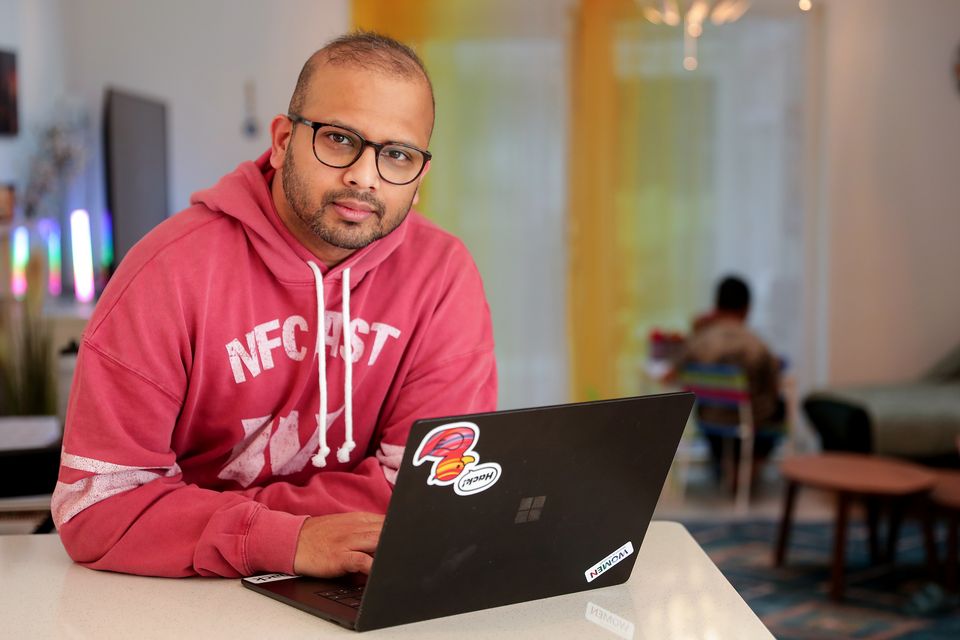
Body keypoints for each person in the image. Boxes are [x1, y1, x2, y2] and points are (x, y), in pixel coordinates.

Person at [51, 31, 497, 579]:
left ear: (419, 176)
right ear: (284, 139)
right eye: (338, 139)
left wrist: (195, 518)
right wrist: (285, 539)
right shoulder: (166, 273)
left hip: (352, 579)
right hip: (185, 597)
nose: (363, 174)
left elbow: (435, 492)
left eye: (397, 154)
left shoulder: (442, 276)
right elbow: (97, 507)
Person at [675, 275, 783, 475]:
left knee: (714, 411)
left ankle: (725, 464)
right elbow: (773, 390)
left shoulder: (698, 341)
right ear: (746, 308)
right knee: (778, 408)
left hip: (709, 423)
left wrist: (695, 331)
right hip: (750, 427)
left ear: (716, 306)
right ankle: (749, 465)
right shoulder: (757, 345)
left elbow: (674, 374)